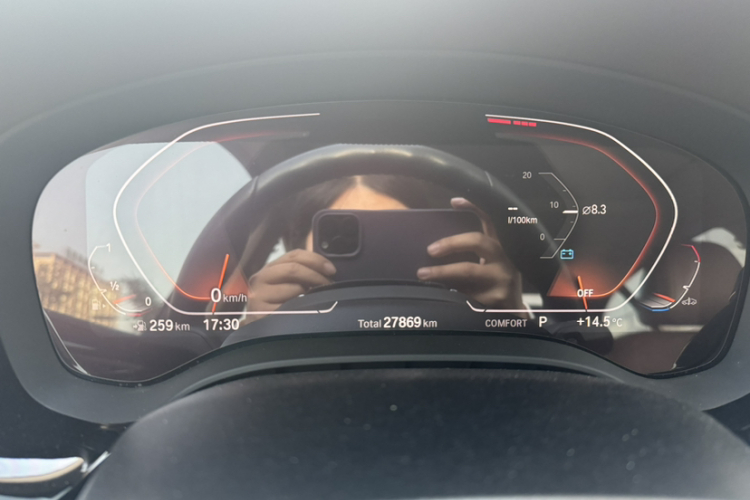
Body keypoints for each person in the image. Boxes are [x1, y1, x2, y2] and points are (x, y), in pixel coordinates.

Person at [244, 175, 525, 314]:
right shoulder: (287, 323)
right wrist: (256, 334)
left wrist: (510, 320)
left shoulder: (462, 317)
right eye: (337, 238)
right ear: (296, 254)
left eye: (395, 238)